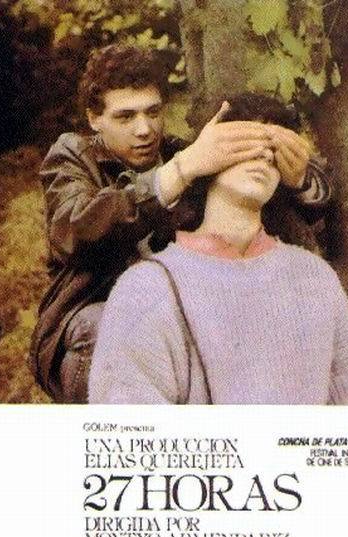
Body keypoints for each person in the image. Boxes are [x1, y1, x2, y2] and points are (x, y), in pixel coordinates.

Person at [30, 44, 331, 403]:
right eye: (125, 117)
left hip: (176, 308)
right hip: (93, 309)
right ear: (95, 118)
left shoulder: (178, 152)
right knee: (107, 327)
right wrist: (177, 173)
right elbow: (75, 230)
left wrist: (300, 179)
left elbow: (260, 188)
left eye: (153, 112)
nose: (144, 129)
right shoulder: (74, 154)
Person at [88, 93, 348, 405]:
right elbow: (127, 420)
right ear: (208, 154)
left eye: (273, 151)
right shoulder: (147, 288)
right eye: (244, 144)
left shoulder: (315, 277)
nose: (262, 155)